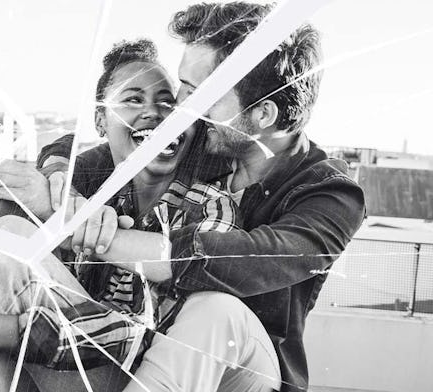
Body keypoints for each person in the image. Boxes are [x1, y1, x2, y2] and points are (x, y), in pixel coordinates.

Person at [0, 38, 281, 392]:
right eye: (133, 99)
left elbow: (165, 343)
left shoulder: (210, 206)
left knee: (10, 250)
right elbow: (59, 152)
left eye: (168, 102)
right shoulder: (95, 187)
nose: (154, 112)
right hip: (71, 360)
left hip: (140, 372)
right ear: (101, 122)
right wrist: (54, 173)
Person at [36, 3, 367, 391]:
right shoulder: (208, 140)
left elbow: (236, 260)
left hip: (246, 370)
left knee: (216, 309)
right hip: (157, 348)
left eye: (197, 91)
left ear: (262, 115)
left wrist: (91, 233)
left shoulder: (331, 195)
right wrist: (58, 174)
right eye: (183, 85)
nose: (179, 103)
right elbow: (103, 144)